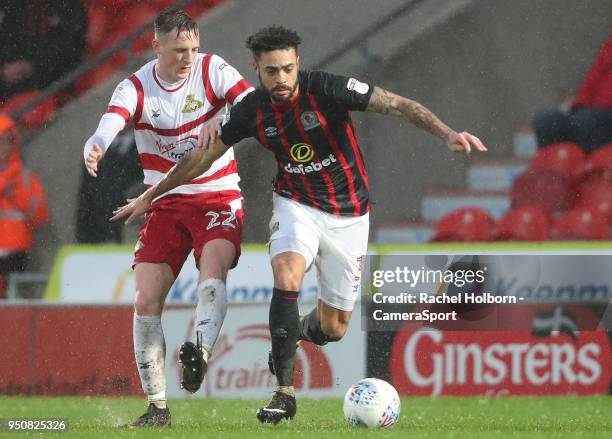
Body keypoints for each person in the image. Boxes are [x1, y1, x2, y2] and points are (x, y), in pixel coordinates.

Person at [111, 25, 487, 424]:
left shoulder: (327, 88)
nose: (281, 79)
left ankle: (291, 338)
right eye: (272, 71)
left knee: (335, 326)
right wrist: (151, 195)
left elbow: (395, 104)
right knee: (287, 273)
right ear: (257, 68)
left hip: (349, 215)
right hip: (295, 204)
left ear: (298, 64)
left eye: (288, 69)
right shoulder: (252, 110)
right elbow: (201, 158)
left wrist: (446, 132)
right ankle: (284, 393)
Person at [83, 7, 252, 428]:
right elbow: (111, 120)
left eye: (193, 48)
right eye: (179, 50)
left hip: (218, 194)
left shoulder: (213, 69)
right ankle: (158, 408)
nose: (188, 58)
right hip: (163, 200)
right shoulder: (136, 86)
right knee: (145, 300)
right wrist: (97, 143)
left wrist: (229, 116)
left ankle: (201, 351)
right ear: (155, 45)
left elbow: (250, 101)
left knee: (213, 267)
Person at [532, 32, 612, 152]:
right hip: (589, 115)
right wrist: (577, 108)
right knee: (545, 122)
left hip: (603, 119)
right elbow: (590, 83)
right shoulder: (608, 49)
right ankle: (551, 166)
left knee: (584, 123)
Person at [0, 0, 87, 102]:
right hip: (20, 94)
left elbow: (73, 46)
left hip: (64, 87)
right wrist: (3, 73)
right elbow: (8, 46)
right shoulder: (16, 8)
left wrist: (33, 66)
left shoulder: (67, 5)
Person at [0, 114, 48, 298]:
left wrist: (16, 195)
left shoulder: (25, 177)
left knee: (16, 309)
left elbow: (39, 216)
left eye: (8, 141)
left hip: (17, 253)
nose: (4, 147)